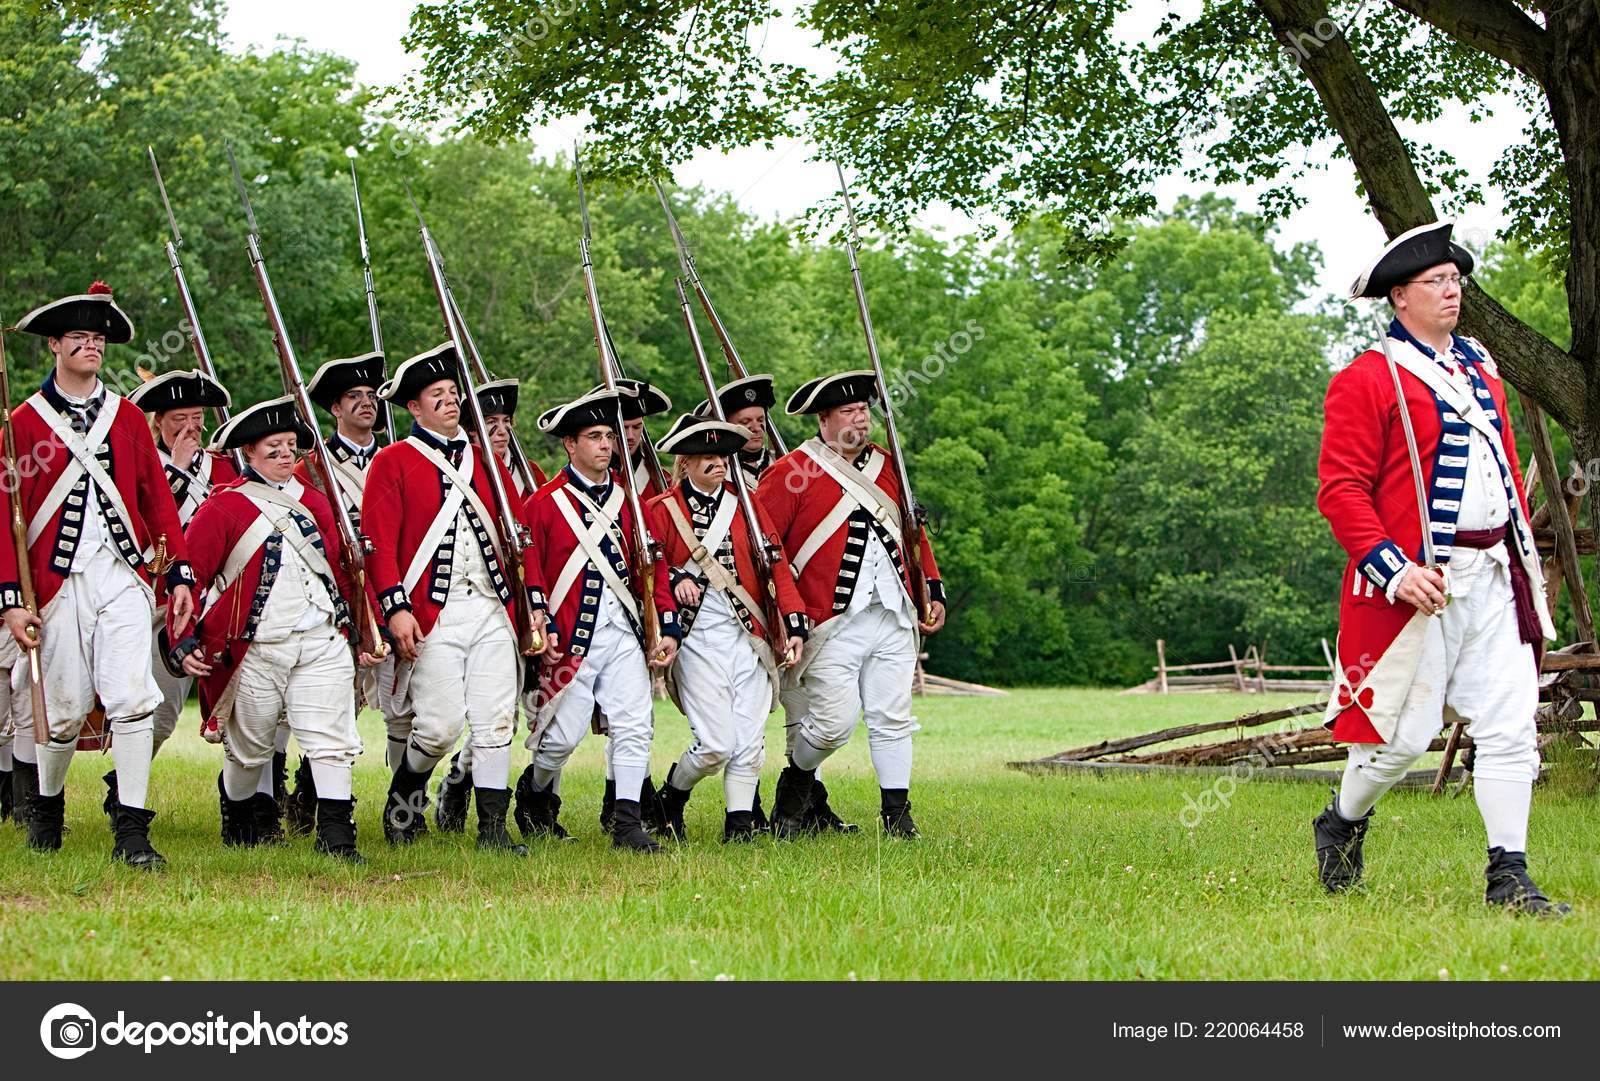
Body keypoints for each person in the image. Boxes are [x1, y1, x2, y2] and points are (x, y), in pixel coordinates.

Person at [1316, 220, 1566, 915]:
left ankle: (1508, 875)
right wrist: (1395, 571)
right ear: (1400, 296)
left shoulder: (1481, 367)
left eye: (1455, 279)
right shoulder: (1368, 378)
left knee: (1511, 726)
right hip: (1417, 587)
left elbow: (1504, 467)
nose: (1453, 291)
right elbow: (1341, 490)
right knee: (1399, 742)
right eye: (1436, 282)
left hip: (1494, 574)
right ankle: (1341, 819)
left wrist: (1519, 554)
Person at [0, 282, 196, 867]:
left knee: (133, 698)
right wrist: (11, 600)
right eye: (79, 337)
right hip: (56, 585)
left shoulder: (127, 417)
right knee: (61, 710)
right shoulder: (21, 424)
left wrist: (179, 574)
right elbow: (4, 518)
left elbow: (156, 500)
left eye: (98, 338)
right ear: (54, 345)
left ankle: (132, 831)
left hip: (122, 577)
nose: (92, 345)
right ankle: (46, 809)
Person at [362, 344, 551, 854]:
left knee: (495, 720)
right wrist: (396, 608)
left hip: (491, 607)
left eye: (452, 393)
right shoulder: (392, 461)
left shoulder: (485, 459)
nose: (449, 401)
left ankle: (492, 829)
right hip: (434, 613)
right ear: (414, 408)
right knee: (439, 728)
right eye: (436, 395)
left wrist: (534, 603)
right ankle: (404, 799)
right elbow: (377, 543)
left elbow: (521, 538)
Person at [172, 396, 374, 862]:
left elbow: (342, 573)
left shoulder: (318, 502)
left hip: (321, 637)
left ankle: (337, 837)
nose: (285, 455)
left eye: (289, 446)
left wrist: (364, 629)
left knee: (330, 739)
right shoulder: (225, 506)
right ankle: (240, 817)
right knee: (250, 749)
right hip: (258, 646)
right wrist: (182, 639)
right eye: (273, 447)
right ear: (249, 453)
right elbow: (190, 576)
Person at [757, 371, 946, 838]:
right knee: (832, 726)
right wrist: (787, 613)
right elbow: (765, 548)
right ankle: (797, 782)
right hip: (830, 621)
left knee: (891, 716)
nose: (861, 418)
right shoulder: (791, 472)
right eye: (848, 411)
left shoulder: (888, 464)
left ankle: (897, 813)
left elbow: (912, 531)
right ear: (823, 419)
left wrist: (932, 587)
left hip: (894, 611)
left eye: (864, 409)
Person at [513, 389, 680, 852]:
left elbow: (653, 567)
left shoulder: (631, 503)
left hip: (623, 633)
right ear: (570, 444)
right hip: (571, 638)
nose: (605, 444)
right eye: (594, 436)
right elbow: (532, 573)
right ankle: (536, 792)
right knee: (560, 739)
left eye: (609, 435)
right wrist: (541, 625)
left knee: (635, 726)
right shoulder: (543, 504)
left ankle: (627, 823)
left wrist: (666, 625)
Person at [646, 415, 807, 841]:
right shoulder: (662, 509)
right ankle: (670, 798)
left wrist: (793, 621)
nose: (718, 463)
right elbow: (648, 568)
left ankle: (739, 827)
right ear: (686, 462)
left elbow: (775, 562)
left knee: (749, 742)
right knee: (716, 744)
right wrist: (676, 578)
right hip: (695, 639)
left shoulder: (747, 505)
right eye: (708, 456)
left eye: (721, 456)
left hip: (748, 635)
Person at [128, 370, 249, 806]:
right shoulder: (139, 468)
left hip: (215, 607)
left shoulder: (226, 467)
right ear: (158, 422)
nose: (191, 427)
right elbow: (140, 534)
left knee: (246, 710)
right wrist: (176, 471)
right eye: (179, 419)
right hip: (155, 603)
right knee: (152, 712)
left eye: (197, 417)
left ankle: (248, 803)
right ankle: (123, 791)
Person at [433, 376, 549, 832]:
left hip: (523, 604)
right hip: (482, 602)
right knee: (485, 715)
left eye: (505, 423)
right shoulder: (470, 469)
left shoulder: (529, 474)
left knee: (511, 715)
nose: (499, 432)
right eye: (488, 424)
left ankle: (498, 799)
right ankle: (460, 785)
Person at [288, 351, 393, 831]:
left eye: (372, 396)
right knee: (336, 703)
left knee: (405, 708)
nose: (366, 403)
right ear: (335, 408)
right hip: (339, 594)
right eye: (354, 396)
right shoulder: (312, 468)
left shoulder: (397, 459)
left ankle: (404, 807)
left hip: (393, 592)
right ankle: (313, 795)